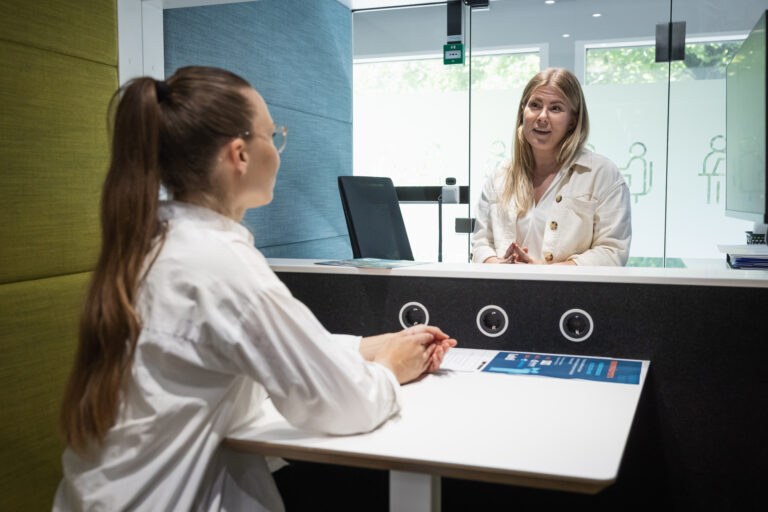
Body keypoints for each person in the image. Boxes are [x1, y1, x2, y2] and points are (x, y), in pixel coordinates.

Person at [54, 66, 456, 511]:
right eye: (273, 135)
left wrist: (369, 346)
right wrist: (390, 368)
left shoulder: (159, 242)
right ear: (240, 154)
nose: (279, 151)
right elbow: (344, 405)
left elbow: (258, 348)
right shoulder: (220, 263)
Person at [471, 68, 631, 266]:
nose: (542, 116)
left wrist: (545, 273)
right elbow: (481, 242)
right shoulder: (500, 176)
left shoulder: (602, 174)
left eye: (555, 108)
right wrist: (498, 265)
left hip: (566, 288)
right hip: (503, 286)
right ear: (523, 112)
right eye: (535, 105)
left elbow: (612, 252)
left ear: (572, 121)